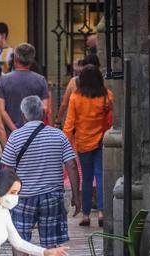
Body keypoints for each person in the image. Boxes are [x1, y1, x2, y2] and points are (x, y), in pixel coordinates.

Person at [1, 96, 81, 256]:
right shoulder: (58, 136)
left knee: (19, 239)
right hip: (51, 197)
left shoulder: (15, 137)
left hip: (23, 196)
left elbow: (7, 169)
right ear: (44, 114)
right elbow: (71, 165)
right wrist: (76, 194)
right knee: (50, 243)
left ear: (23, 115)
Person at [63, 65, 113, 227]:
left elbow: (69, 123)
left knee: (86, 178)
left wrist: (64, 142)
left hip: (83, 143)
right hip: (102, 141)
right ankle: (101, 212)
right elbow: (111, 120)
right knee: (100, 177)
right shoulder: (107, 96)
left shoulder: (76, 98)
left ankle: (85, 215)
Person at [0, 43, 50, 133]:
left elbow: (1, 110)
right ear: (31, 60)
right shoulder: (41, 80)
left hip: (11, 135)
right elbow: (45, 109)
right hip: (35, 134)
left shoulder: (4, 80)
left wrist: (15, 130)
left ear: (15, 58)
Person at [56, 54, 101, 125]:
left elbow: (64, 104)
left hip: (78, 123)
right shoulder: (102, 83)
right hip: (97, 124)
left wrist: (58, 121)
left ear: (84, 66)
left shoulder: (74, 82)